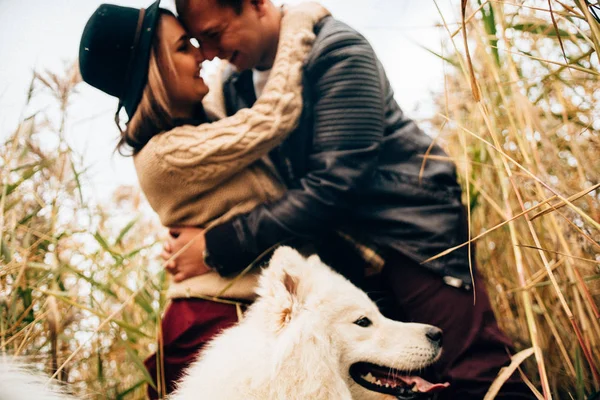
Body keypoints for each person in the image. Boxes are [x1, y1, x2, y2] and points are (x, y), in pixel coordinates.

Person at [161, 0, 535, 398]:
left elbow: (336, 182)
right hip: (343, 260)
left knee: (479, 376)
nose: (211, 53)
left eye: (215, 35)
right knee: (406, 386)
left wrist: (218, 245)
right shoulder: (236, 88)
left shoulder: (337, 50)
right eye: (199, 42)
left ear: (256, 4)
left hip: (409, 234)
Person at [79, 1, 342, 397]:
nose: (203, 53)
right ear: (155, 71)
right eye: (185, 47)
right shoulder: (166, 155)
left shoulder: (197, 129)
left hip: (232, 313)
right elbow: (274, 116)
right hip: (215, 320)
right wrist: (298, 20)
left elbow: (226, 91)